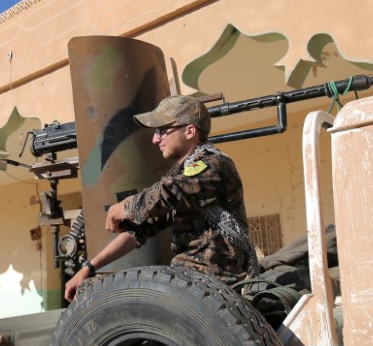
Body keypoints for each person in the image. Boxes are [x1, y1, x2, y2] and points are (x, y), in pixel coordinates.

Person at [64, 95, 258, 302]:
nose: (155, 139)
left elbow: (169, 193)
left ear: (190, 131)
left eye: (162, 130)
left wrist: (123, 208)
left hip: (213, 278)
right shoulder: (182, 174)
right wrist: (88, 267)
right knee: (91, 286)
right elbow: (139, 231)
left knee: (99, 293)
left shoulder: (214, 165)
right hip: (193, 279)